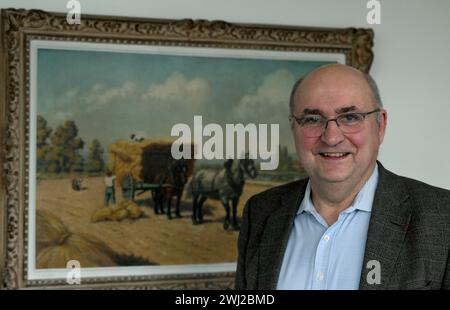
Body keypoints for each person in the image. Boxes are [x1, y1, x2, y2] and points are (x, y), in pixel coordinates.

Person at [235, 64, 450, 290]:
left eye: (350, 117)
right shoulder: (261, 212)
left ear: (381, 125)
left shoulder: (442, 218)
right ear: (293, 128)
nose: (331, 137)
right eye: (312, 119)